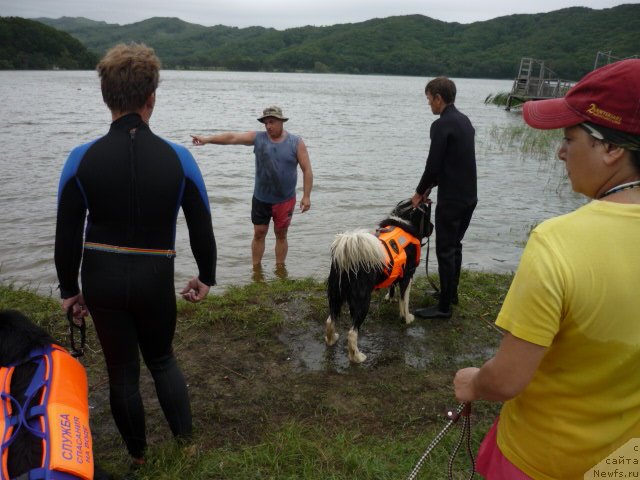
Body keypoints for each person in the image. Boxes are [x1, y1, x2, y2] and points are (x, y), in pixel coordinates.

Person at [454, 59, 640, 479]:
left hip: (543, 460)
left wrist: (473, 382)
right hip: (628, 462)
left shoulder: (558, 241)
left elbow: (507, 380)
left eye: (570, 137)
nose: (560, 151)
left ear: (612, 148)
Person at [54, 43, 217, 467]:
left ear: (106, 96)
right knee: (162, 359)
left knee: (122, 372)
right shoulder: (179, 159)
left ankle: (139, 457)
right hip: (154, 276)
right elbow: (202, 223)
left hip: (102, 276)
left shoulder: (80, 158)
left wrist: (70, 291)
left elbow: (67, 233)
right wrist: (206, 275)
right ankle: (187, 446)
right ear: (152, 98)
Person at [191, 106, 313, 273]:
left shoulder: (296, 142)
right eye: (266, 123)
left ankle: (279, 268)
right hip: (261, 197)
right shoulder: (258, 138)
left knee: (281, 234)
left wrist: (306, 196)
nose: (268, 126)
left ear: (281, 122)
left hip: (285, 199)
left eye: (272, 122)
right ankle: (256, 270)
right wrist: (207, 139)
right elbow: (232, 137)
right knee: (259, 233)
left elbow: (307, 169)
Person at [411, 77, 477, 319]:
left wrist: (419, 192)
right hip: (469, 197)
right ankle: (451, 294)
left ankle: (444, 308)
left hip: (452, 200)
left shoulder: (441, 125)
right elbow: (453, 163)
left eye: (429, 100)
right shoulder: (464, 121)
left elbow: (433, 165)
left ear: (439, 98)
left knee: (445, 250)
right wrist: (430, 188)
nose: (429, 105)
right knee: (455, 246)